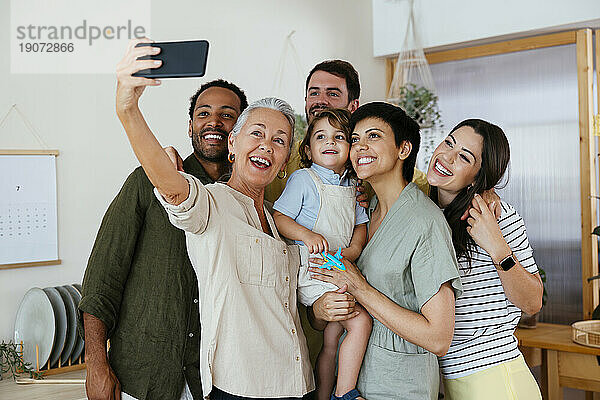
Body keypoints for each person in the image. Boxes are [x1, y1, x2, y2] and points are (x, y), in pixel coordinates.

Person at [114, 39, 314, 399]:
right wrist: (127, 108)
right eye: (256, 134)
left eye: (279, 140)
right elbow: (173, 188)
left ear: (285, 162)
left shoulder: (279, 222)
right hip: (240, 388)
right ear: (233, 144)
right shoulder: (214, 205)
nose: (267, 145)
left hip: (297, 383)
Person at [79, 73, 248, 400]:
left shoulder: (245, 202)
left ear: (239, 132)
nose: (214, 121)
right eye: (203, 113)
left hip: (214, 382)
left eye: (228, 115)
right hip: (141, 377)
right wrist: (96, 364)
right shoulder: (147, 182)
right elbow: (102, 280)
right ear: (190, 127)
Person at [310, 102, 463, 399]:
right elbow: (328, 306)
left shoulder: (424, 222)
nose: (360, 147)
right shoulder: (364, 213)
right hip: (353, 383)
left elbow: (439, 337)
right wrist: (320, 309)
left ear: (403, 149)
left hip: (400, 387)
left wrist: (360, 287)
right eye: (354, 139)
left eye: (374, 136)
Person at [428, 119, 543, 399]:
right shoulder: (426, 212)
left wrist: (496, 245)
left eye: (464, 157)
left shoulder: (499, 219)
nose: (447, 157)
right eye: (449, 143)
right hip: (449, 381)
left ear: (479, 178)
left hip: (495, 379)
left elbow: (532, 302)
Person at [273, 109, 371, 400]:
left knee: (332, 340)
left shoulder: (354, 187)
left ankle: (324, 395)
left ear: (351, 147)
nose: (330, 142)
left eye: (339, 137)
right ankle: (345, 392)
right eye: (321, 137)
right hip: (313, 268)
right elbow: (279, 217)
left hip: (338, 264)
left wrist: (352, 251)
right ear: (308, 148)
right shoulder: (304, 179)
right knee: (361, 321)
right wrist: (306, 235)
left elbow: (361, 227)